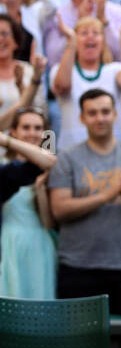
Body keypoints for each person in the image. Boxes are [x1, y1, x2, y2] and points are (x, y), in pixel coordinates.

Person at [48, 88, 121, 316]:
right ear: (82, 118)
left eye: (106, 111)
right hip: (77, 267)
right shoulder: (67, 157)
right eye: (93, 113)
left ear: (116, 114)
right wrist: (108, 195)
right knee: (75, 345)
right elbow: (59, 210)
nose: (100, 118)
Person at [52, 12, 121, 147]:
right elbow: (63, 86)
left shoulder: (114, 69)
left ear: (103, 41)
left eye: (96, 33)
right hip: (73, 148)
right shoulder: (59, 69)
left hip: (114, 148)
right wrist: (70, 44)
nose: (90, 36)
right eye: (84, 33)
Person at [0, 109, 57, 299]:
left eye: (38, 128)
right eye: (25, 127)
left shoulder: (48, 167)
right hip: (7, 241)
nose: (32, 133)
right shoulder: (4, 166)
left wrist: (40, 191)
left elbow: (49, 224)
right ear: (14, 131)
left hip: (38, 243)